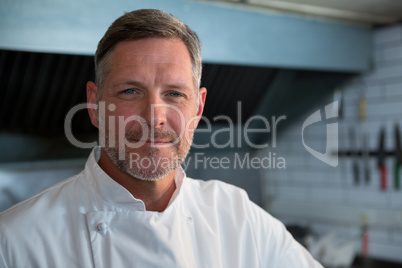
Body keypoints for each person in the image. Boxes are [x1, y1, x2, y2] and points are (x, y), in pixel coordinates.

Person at [0, 9, 322, 267]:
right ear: (95, 105)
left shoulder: (239, 219)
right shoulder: (16, 241)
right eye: (130, 91)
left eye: (174, 93)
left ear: (198, 109)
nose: (154, 116)